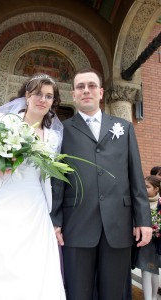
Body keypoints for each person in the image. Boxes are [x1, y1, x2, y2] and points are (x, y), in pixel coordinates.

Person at [50, 68, 152, 300]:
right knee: (77, 291)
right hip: (77, 224)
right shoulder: (62, 131)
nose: (86, 90)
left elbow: (136, 176)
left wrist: (143, 219)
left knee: (114, 292)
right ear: (73, 95)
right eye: (80, 87)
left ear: (101, 92)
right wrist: (55, 221)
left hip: (118, 224)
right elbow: (57, 181)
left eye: (91, 86)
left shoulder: (123, 127)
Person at [0, 74, 66, 300]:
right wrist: (2, 168)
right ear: (27, 96)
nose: (43, 100)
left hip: (34, 207)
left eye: (49, 96)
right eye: (38, 94)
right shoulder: (4, 123)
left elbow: (50, 179)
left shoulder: (53, 138)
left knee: (30, 267)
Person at [136, 175, 161, 300]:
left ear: (156, 189)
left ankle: (153, 297)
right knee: (146, 271)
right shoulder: (141, 203)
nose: (144, 189)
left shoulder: (160, 203)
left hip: (156, 244)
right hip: (144, 243)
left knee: (154, 271)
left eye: (147, 187)